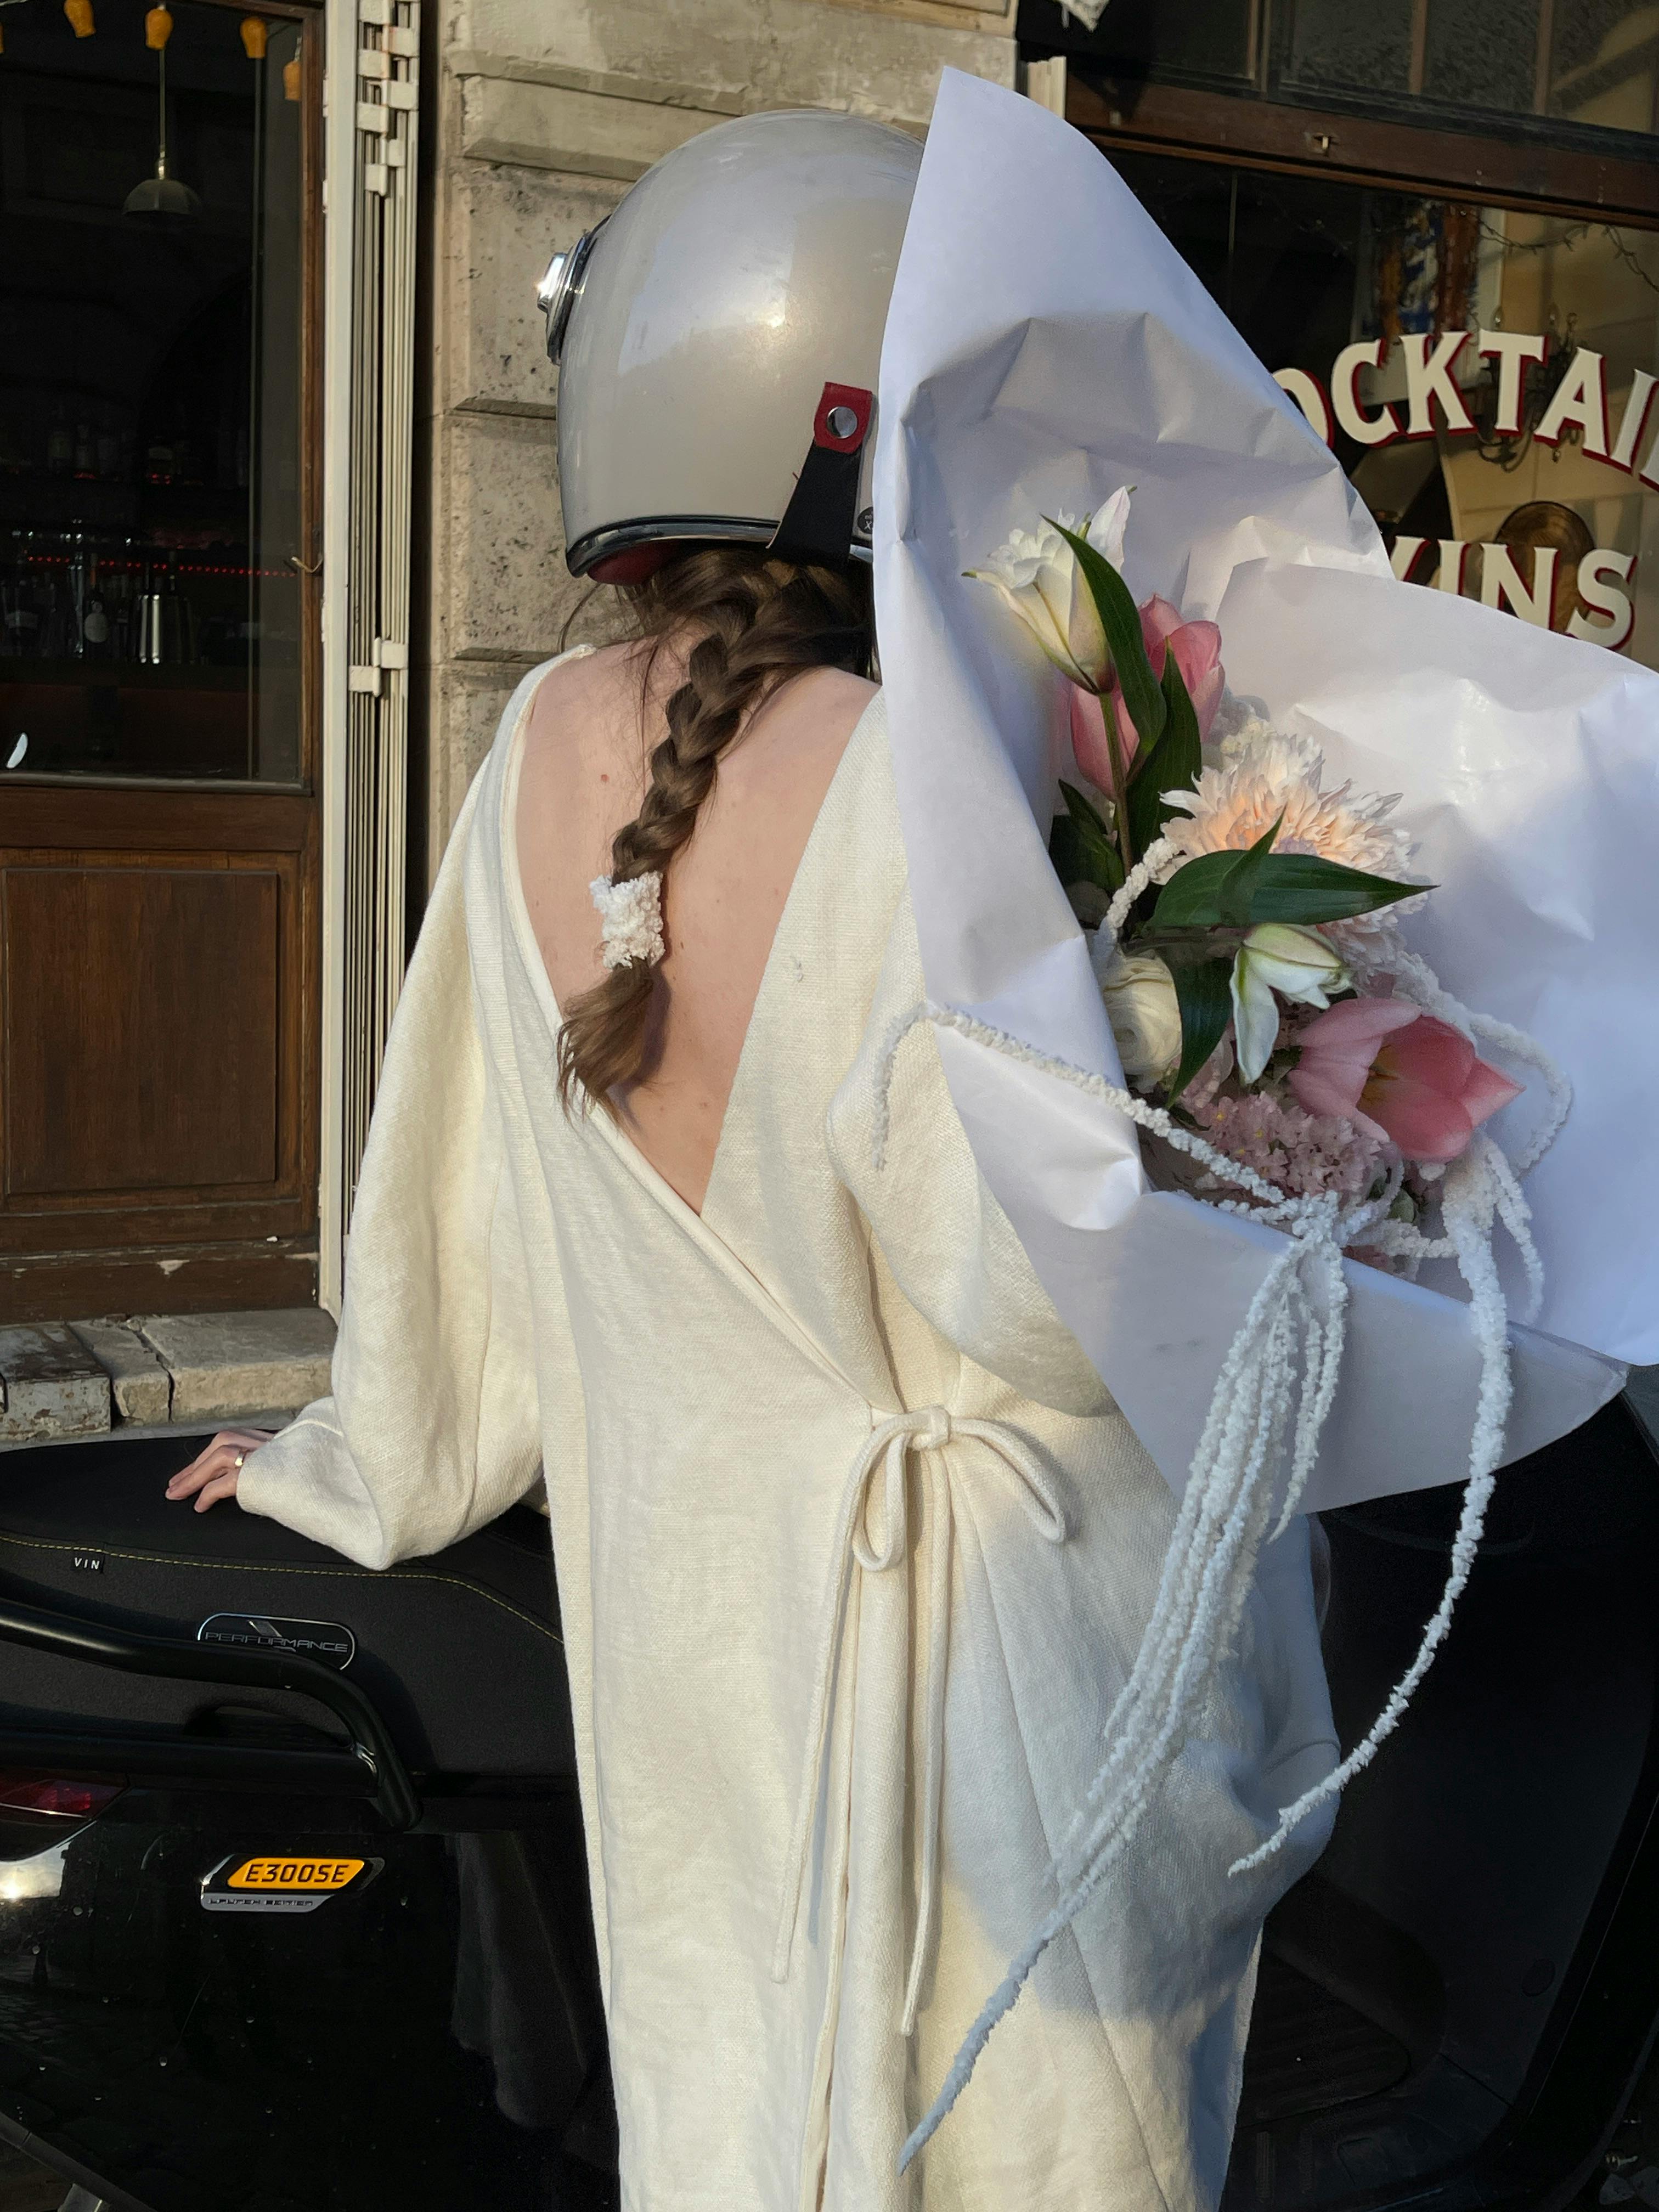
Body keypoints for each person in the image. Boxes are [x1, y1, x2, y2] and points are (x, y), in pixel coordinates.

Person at [166, 110, 1337, 2210]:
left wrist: (355, 1445)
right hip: (981, 1711)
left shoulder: (526, 753)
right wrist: (1255, 1189)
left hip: (700, 1671)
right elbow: (1039, 1314)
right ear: (887, 435)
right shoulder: (918, 780)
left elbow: (449, 1217)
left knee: (732, 2104)